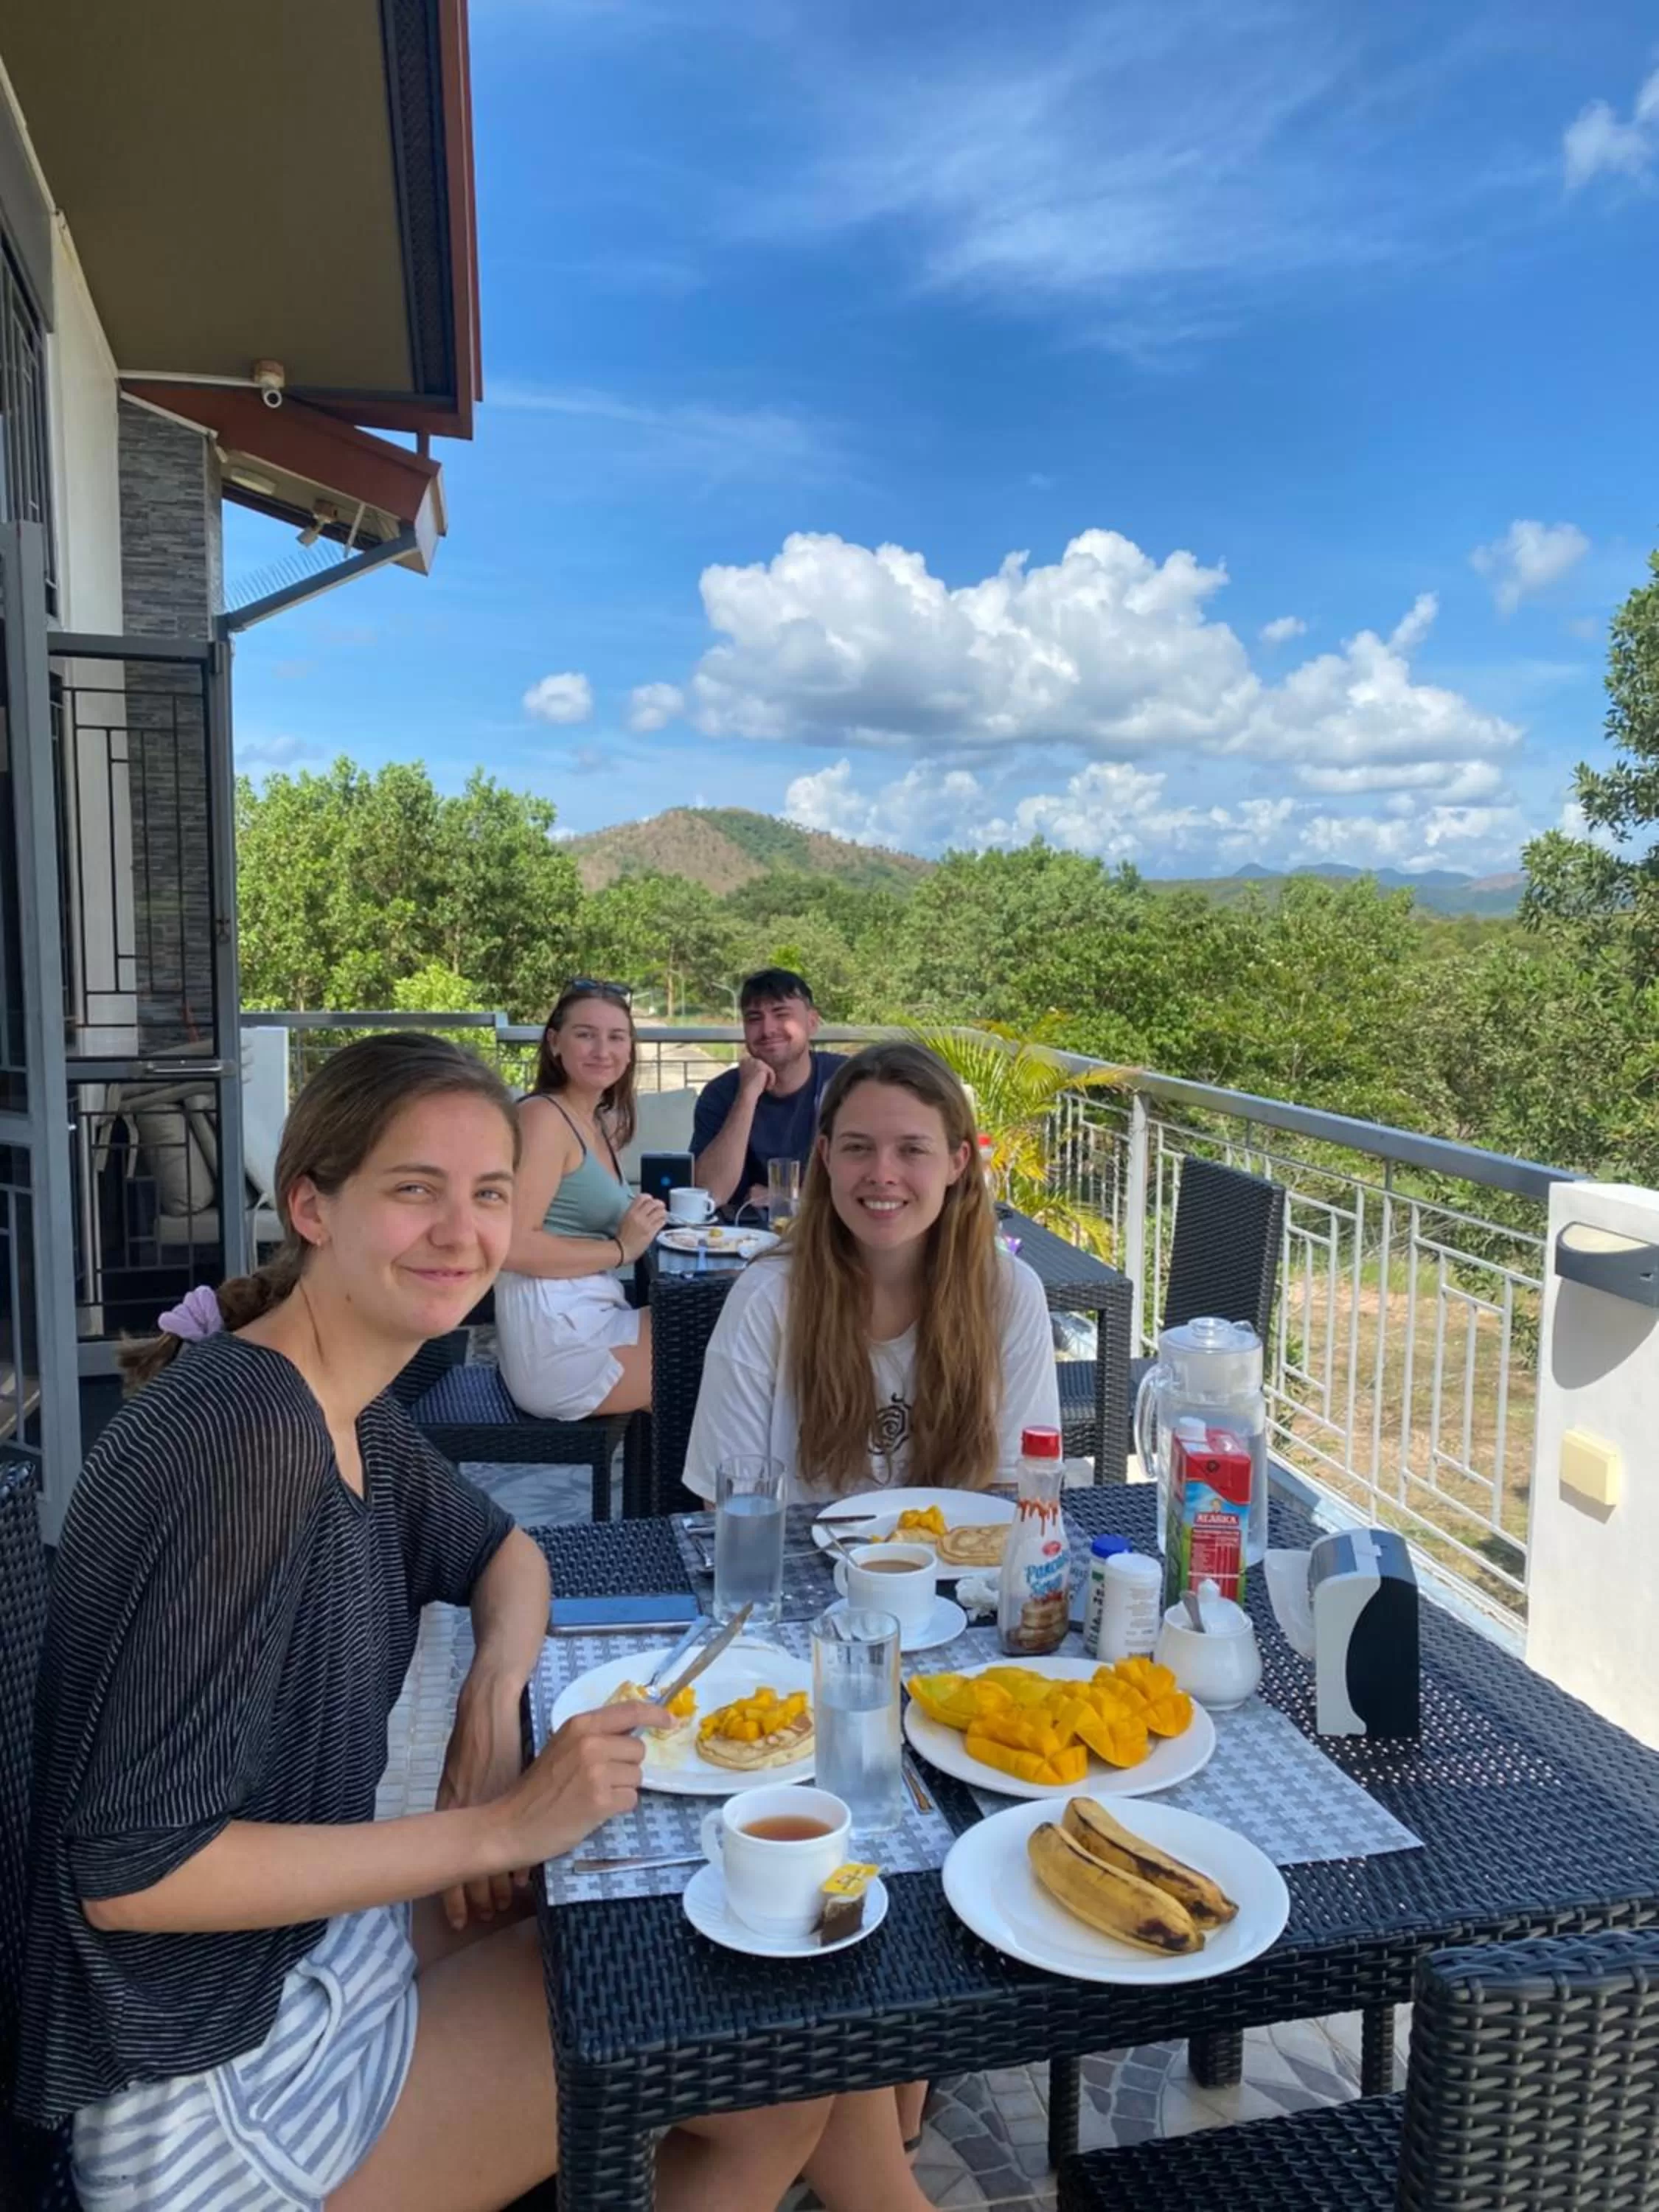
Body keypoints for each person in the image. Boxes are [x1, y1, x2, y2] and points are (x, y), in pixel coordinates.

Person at [18, 1032, 942, 2212]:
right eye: (415, 1190)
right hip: (204, 2086)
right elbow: (134, 1876)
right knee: (768, 2027)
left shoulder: (341, 1400)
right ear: (313, 1204)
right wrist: (499, 1830)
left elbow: (507, 1555)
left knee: (765, 1999)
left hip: (303, 1962)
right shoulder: (245, 1439)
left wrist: (490, 1697)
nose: (462, 1232)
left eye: (491, 1194)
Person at [683, 1042, 1062, 1505]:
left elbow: (1013, 1494)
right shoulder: (766, 1298)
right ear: (825, 1156)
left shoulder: (1009, 1293)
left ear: (957, 1162)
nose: (883, 1174)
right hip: (800, 1573)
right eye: (858, 1148)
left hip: (963, 1572)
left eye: (912, 1150)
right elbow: (729, 1507)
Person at [494, 980, 664, 1419]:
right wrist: (621, 1248)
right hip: (556, 1342)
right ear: (555, 1043)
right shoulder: (542, 1118)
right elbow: (511, 1246)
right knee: (732, 1346)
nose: (602, 1050)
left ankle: (688, 1487)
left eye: (616, 1037)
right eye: (585, 1034)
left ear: (630, 1051)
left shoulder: (595, 1123)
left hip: (590, 1317)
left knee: (733, 1331)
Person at [692, 967, 841, 1217]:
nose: (767, 1030)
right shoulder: (720, 1093)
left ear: (812, 1022)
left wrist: (783, 1199)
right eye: (754, 1018)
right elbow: (709, 1193)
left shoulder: (845, 1081)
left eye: (781, 1014)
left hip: (831, 1231)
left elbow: (869, 1179)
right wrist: (747, 1094)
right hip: (741, 1240)